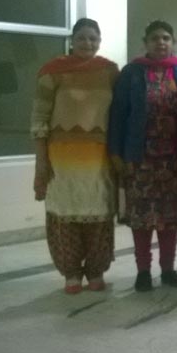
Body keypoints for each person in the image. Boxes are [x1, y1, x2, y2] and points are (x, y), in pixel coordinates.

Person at [32, 18, 119, 294]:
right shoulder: (52, 71)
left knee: (99, 213)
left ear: (100, 41)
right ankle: (71, 273)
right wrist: (41, 162)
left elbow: (120, 114)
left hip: (101, 158)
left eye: (93, 38)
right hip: (62, 159)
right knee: (64, 214)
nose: (87, 43)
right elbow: (39, 118)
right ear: (72, 41)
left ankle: (96, 270)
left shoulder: (109, 71)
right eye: (81, 38)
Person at [109, 20, 177, 292]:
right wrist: (116, 153)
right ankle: (143, 271)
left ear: (173, 42)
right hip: (140, 157)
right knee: (142, 218)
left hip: (174, 159)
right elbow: (118, 114)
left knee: (170, 218)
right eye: (155, 38)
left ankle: (168, 269)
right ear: (145, 42)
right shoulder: (132, 72)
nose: (161, 42)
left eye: (166, 38)